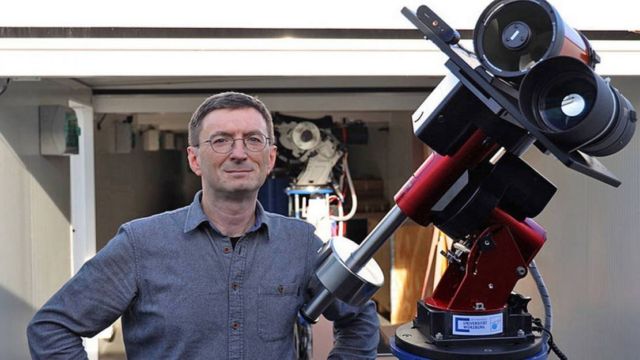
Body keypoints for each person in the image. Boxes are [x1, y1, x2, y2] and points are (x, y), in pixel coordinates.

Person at [26, 92, 380, 359]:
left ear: (270, 158)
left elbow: (359, 316)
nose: (239, 153)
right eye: (221, 140)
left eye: (253, 140)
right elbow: (52, 329)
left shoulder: (299, 243)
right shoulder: (140, 243)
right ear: (195, 158)